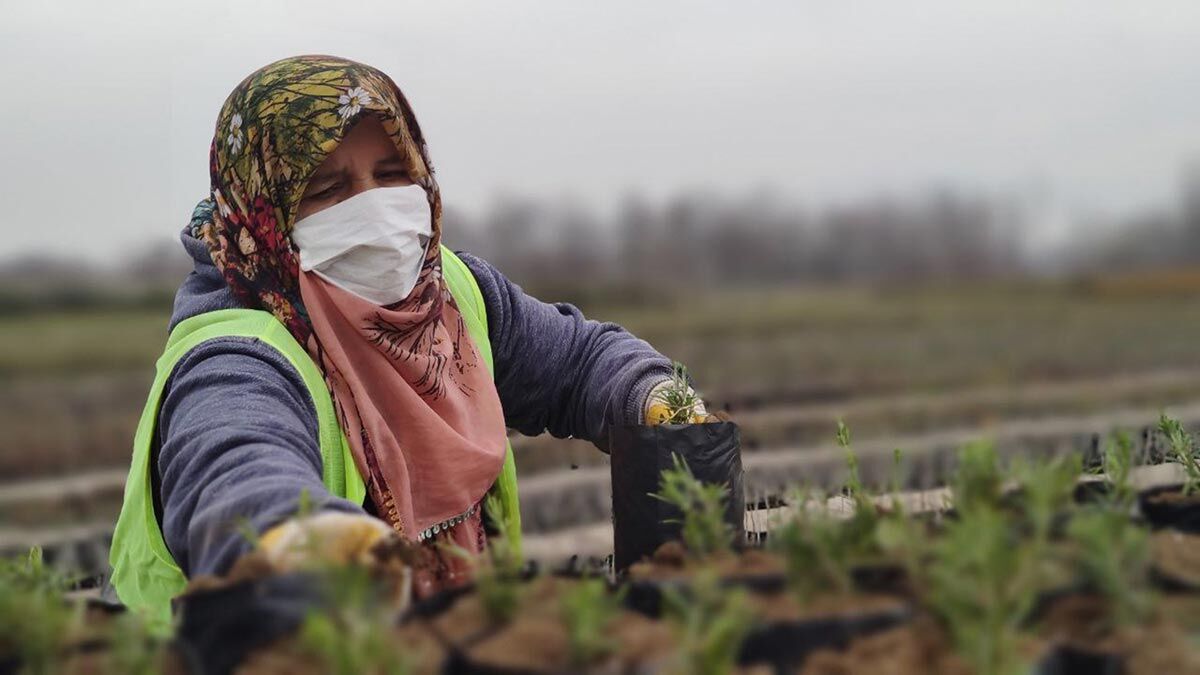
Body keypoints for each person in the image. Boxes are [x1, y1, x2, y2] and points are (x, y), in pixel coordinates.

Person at [108, 54, 709, 626]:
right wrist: (304, 541)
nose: (372, 208)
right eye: (327, 189)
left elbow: (576, 362)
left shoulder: (448, 295)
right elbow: (233, 462)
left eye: (391, 175)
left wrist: (650, 395)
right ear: (264, 210)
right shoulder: (240, 353)